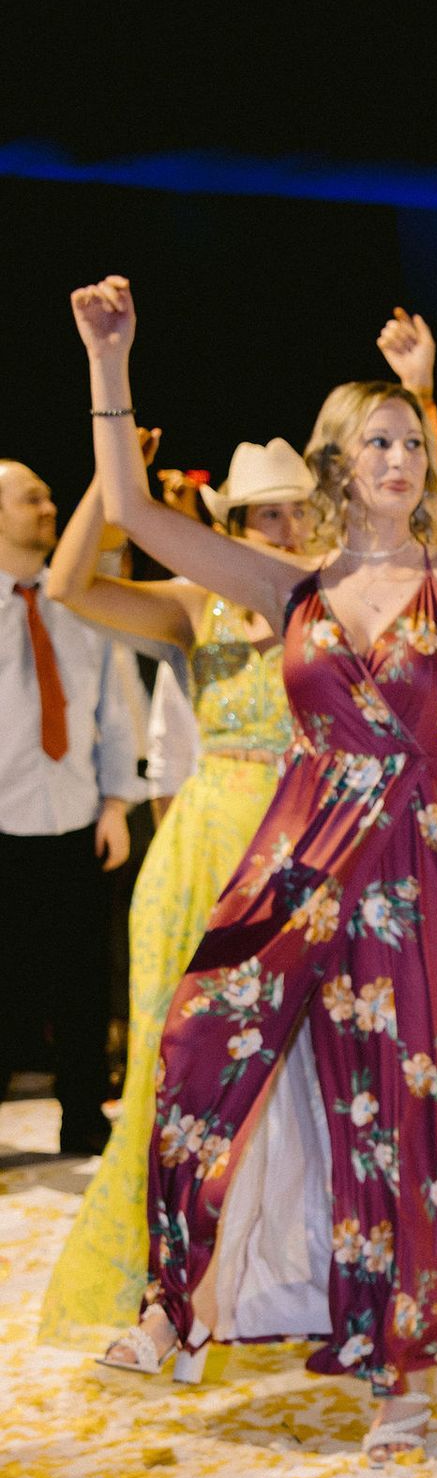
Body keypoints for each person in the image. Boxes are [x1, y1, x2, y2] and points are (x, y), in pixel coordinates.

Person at [68, 275, 437, 1457]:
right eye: (380, 440)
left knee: (397, 1109)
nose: (401, 457)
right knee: (198, 1038)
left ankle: (395, 1365)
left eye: (412, 440)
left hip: (414, 879)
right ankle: (174, 1299)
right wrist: (110, 363)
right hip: (296, 858)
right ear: (339, 463)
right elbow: (134, 513)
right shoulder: (287, 587)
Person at [38, 439, 315, 1351]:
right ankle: (164, 1283)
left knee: (294, 1075)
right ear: (231, 525)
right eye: (267, 513)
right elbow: (68, 586)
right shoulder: (200, 603)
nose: (287, 527)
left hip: (300, 849)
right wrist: (105, 477)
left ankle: (273, 1282)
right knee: (175, 1065)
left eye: (299, 510)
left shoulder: (327, 601)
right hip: (200, 855)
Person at [1, 459, 140, 1159]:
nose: (49, 507)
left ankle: (84, 1116)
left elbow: (115, 711)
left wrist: (115, 803)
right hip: (4, 819)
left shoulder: (79, 600)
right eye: (33, 498)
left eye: (50, 495)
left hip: (76, 815)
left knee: (84, 978)